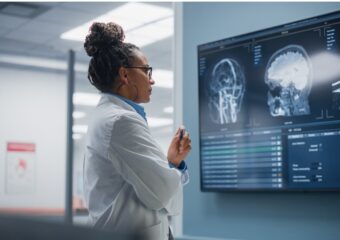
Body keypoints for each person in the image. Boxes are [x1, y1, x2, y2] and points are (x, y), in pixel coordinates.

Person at [83, 22, 192, 240]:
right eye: (146, 70)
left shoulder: (108, 116)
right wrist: (174, 170)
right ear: (125, 74)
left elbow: (141, 182)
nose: (151, 79)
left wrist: (171, 163)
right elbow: (162, 193)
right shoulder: (120, 121)